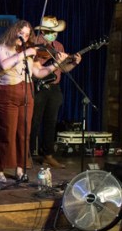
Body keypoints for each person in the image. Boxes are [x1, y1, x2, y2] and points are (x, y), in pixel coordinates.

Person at [0, 20, 75, 186]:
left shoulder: (29, 52)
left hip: (27, 93)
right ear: (14, 32)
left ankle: (20, 169)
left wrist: (56, 64)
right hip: (7, 92)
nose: (24, 37)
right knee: (7, 132)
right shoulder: (0, 48)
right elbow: (4, 64)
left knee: (24, 133)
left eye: (28, 35)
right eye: (22, 33)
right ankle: (0, 169)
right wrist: (25, 52)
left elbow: (39, 72)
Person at [29, 16, 82, 170]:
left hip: (54, 87)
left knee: (51, 122)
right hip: (39, 86)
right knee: (34, 121)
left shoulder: (58, 45)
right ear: (44, 31)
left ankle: (48, 155)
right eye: (52, 32)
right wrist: (53, 61)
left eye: (56, 32)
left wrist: (73, 63)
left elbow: (63, 69)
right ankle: (28, 154)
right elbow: (36, 67)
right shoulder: (35, 44)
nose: (54, 35)